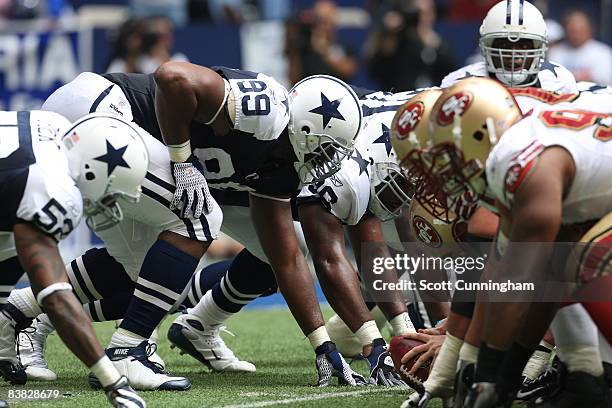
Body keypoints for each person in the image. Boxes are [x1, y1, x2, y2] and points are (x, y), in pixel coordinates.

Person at [16, 65, 366, 387]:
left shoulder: (282, 165)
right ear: (306, 127)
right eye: (327, 149)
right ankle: (127, 351)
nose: (328, 162)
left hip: (114, 129)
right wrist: (182, 161)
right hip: (102, 111)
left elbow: (284, 256)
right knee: (201, 216)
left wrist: (322, 346)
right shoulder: (266, 111)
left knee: (150, 272)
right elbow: (174, 77)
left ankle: (21, 312)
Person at [411, 77, 612, 407]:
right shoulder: (521, 151)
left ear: (481, 134)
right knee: (562, 264)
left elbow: (518, 284)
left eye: (449, 155)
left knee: (585, 258)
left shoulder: (516, 160)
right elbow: (518, 279)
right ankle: (586, 383)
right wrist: (489, 371)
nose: (447, 172)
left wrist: (490, 379)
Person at [0, 111, 147, 407]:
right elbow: (54, 296)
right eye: (110, 194)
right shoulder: (52, 187)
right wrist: (113, 382)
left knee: (16, 240)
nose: (107, 204)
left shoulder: (55, 125)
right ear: (93, 172)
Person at [442, 0, 577, 92]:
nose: (514, 56)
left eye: (524, 45)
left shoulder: (558, 80)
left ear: (539, 48)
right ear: (486, 46)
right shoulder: (459, 83)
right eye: (504, 44)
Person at [364, 0, 455, 91]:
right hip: (398, 98)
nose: (422, 17)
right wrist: (390, 34)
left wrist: (434, 44)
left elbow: (450, 74)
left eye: (426, 12)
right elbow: (375, 69)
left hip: (429, 99)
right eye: (417, 13)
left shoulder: (438, 42)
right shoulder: (397, 39)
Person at [285, 0, 358, 85]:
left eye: (329, 21)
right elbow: (293, 80)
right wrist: (293, 49)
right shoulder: (304, 44)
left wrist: (324, 50)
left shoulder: (343, 44)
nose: (325, 26)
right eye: (322, 22)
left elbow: (349, 71)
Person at [548, 10, 612, 85]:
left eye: (580, 31)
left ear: (590, 30)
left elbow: (605, 80)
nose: (576, 36)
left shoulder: (603, 52)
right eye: (573, 31)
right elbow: (550, 78)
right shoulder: (555, 52)